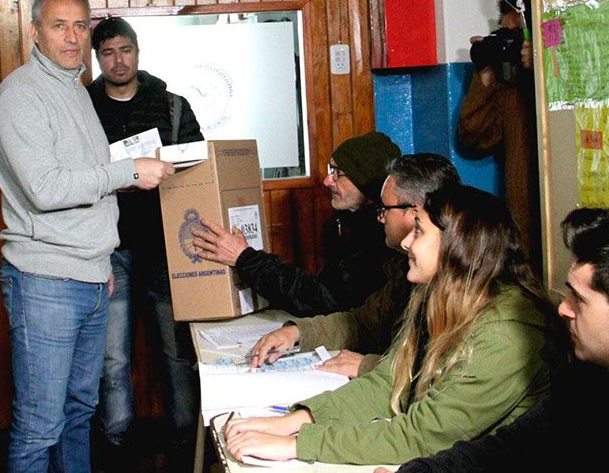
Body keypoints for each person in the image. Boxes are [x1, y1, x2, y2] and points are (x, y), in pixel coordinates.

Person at [224, 185, 563, 465]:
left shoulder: (505, 335)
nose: (405, 242)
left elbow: (423, 434)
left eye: (418, 230)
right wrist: (294, 421)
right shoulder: (437, 298)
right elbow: (387, 381)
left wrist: (296, 446)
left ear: (457, 248)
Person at [0, 0, 175, 473]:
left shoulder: (73, 88)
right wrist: (129, 171)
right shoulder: (22, 95)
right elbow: (46, 189)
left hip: (91, 275)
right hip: (45, 282)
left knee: (79, 414)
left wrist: (99, 262)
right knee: (40, 426)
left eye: (80, 26)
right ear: (34, 32)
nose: (72, 37)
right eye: (58, 26)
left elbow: (88, 180)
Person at [381, 208, 609, 472]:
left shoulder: (509, 334)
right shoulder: (587, 380)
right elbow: (508, 449)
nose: (564, 308)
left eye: (579, 299)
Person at [86, 17, 203, 462]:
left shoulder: (171, 106)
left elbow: (197, 165)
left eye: (125, 50)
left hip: (167, 246)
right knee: (111, 357)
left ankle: (185, 442)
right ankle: (116, 443)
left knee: (176, 351)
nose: (119, 60)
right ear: (98, 58)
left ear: (138, 51)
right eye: (109, 52)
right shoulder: (83, 109)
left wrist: (166, 169)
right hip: (106, 247)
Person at [246, 154, 460, 377]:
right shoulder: (403, 267)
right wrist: (296, 333)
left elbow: (440, 377)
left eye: (384, 208)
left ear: (415, 213)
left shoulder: (460, 285)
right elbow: (361, 323)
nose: (380, 218)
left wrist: (367, 366)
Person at [193, 133, 401, 317]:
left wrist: (244, 258)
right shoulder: (351, 223)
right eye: (331, 170)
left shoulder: (383, 239)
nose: (328, 180)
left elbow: (320, 299)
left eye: (338, 173)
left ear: (366, 181)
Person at [459, 0, 540, 271]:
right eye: (506, 33)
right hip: (526, 236)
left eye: (518, 34)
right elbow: (474, 136)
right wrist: (485, 76)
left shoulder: (554, 72)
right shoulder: (509, 86)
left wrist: (541, 67)